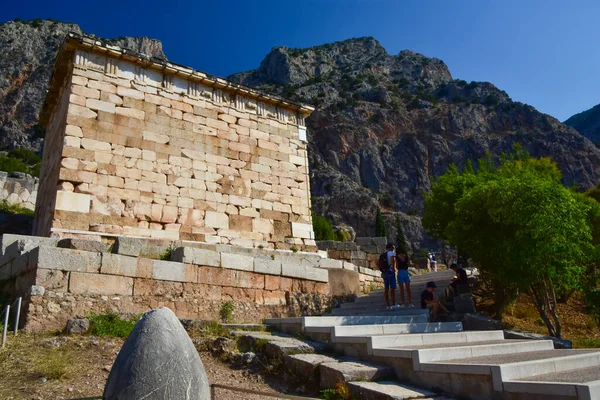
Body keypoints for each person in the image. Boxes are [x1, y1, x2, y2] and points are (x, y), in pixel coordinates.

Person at [381, 242, 399, 310]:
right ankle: (393, 303)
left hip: (384, 272)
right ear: (391, 248)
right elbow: (393, 260)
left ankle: (387, 304)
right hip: (390, 271)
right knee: (392, 288)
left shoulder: (383, 254)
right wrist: (394, 269)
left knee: (386, 288)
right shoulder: (391, 253)